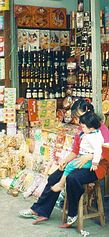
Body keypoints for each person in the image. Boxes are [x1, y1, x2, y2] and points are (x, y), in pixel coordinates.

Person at [19, 98, 109, 227]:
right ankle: (40, 210)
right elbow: (75, 151)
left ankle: (72, 214)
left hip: (96, 167)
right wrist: (64, 161)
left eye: (79, 117)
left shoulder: (102, 130)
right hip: (79, 163)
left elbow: (106, 153)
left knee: (72, 178)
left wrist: (89, 156)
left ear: (87, 111)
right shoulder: (81, 129)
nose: (77, 121)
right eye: (76, 118)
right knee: (55, 176)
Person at [51, 111, 104, 192]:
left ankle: (61, 184)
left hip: (89, 162)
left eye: (83, 127)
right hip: (83, 158)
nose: (81, 128)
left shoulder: (93, 137)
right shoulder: (92, 133)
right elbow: (76, 150)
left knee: (69, 167)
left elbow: (98, 150)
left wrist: (95, 163)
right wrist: (65, 160)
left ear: (91, 128)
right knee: (60, 173)